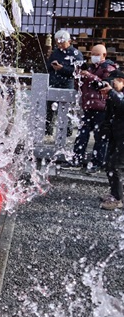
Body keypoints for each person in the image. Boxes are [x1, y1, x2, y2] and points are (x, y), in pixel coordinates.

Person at [67, 44, 116, 172]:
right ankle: (76, 159)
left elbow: (105, 85)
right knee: (81, 135)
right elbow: (80, 86)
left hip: (102, 108)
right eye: (92, 54)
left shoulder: (109, 68)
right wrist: (78, 76)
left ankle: (97, 163)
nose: (93, 57)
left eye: (96, 54)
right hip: (88, 106)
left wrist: (89, 76)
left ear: (104, 55)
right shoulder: (90, 68)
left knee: (100, 138)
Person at [45, 30, 83, 137]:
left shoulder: (76, 54)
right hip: (54, 82)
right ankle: (48, 131)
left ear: (69, 41)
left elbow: (77, 72)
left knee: (66, 109)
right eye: (58, 43)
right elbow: (47, 67)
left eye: (62, 43)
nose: (59, 45)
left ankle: (67, 131)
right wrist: (52, 65)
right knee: (50, 109)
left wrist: (62, 68)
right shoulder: (55, 53)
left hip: (67, 84)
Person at [99, 70, 124, 210]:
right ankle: (114, 193)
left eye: (113, 82)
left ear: (121, 80)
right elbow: (109, 115)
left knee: (116, 166)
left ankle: (119, 199)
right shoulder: (114, 96)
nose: (110, 85)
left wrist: (112, 93)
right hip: (116, 135)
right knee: (109, 164)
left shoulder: (117, 95)